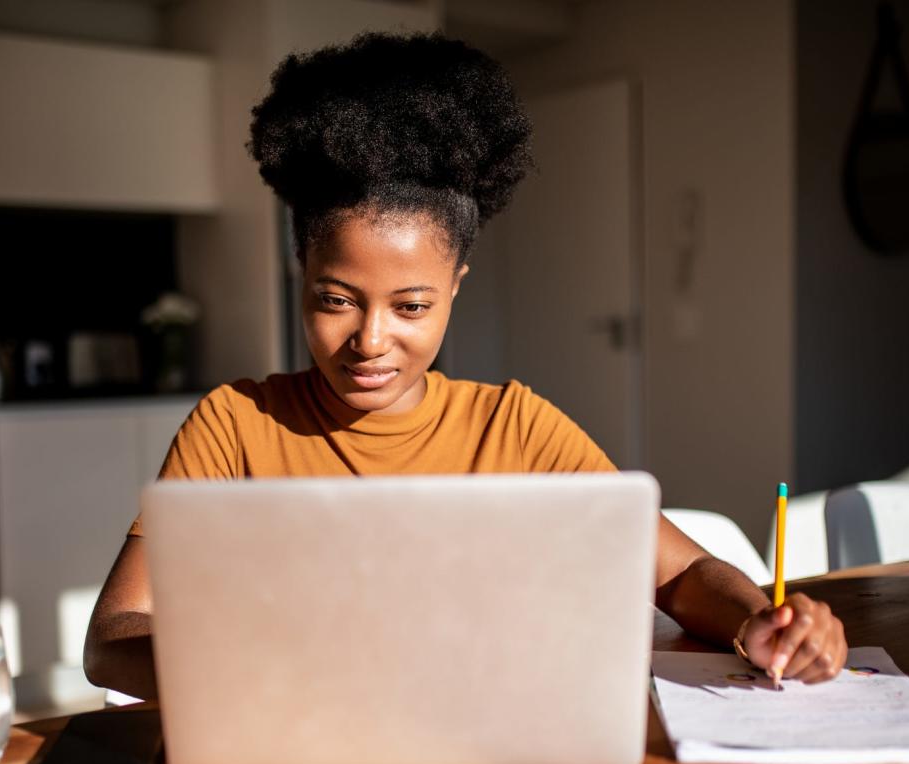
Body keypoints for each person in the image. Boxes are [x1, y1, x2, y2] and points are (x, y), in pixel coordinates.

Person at [84, 32, 845, 701]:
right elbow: (113, 635)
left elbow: (679, 577)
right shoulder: (235, 427)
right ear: (300, 272)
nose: (371, 340)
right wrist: (255, 668)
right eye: (335, 299)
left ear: (454, 290)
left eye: (410, 307)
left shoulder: (515, 429)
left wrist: (762, 623)